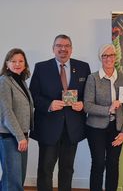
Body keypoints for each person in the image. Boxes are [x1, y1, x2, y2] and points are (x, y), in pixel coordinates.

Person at [29, 34, 91, 191]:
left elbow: (88, 95)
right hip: (49, 127)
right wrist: (49, 105)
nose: (63, 49)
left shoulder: (83, 67)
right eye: (59, 45)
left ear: (71, 49)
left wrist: (83, 104)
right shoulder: (41, 67)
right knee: (45, 169)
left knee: (67, 169)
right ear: (53, 48)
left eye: (67, 46)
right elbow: (33, 96)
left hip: (72, 128)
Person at [84, 44, 123, 191]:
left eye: (111, 55)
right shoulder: (93, 78)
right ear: (101, 58)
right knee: (98, 163)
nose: (108, 58)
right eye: (105, 56)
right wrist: (108, 109)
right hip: (95, 128)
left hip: (116, 128)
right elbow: (87, 106)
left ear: (115, 57)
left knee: (113, 164)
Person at [0, 48, 34, 191]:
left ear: (25, 64)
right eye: (13, 61)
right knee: (13, 181)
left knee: (17, 178)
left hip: (22, 135)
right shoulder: (4, 81)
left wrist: (25, 135)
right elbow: (6, 112)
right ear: (7, 64)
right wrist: (20, 137)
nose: (17, 64)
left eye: (20, 61)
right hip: (10, 136)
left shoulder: (22, 81)